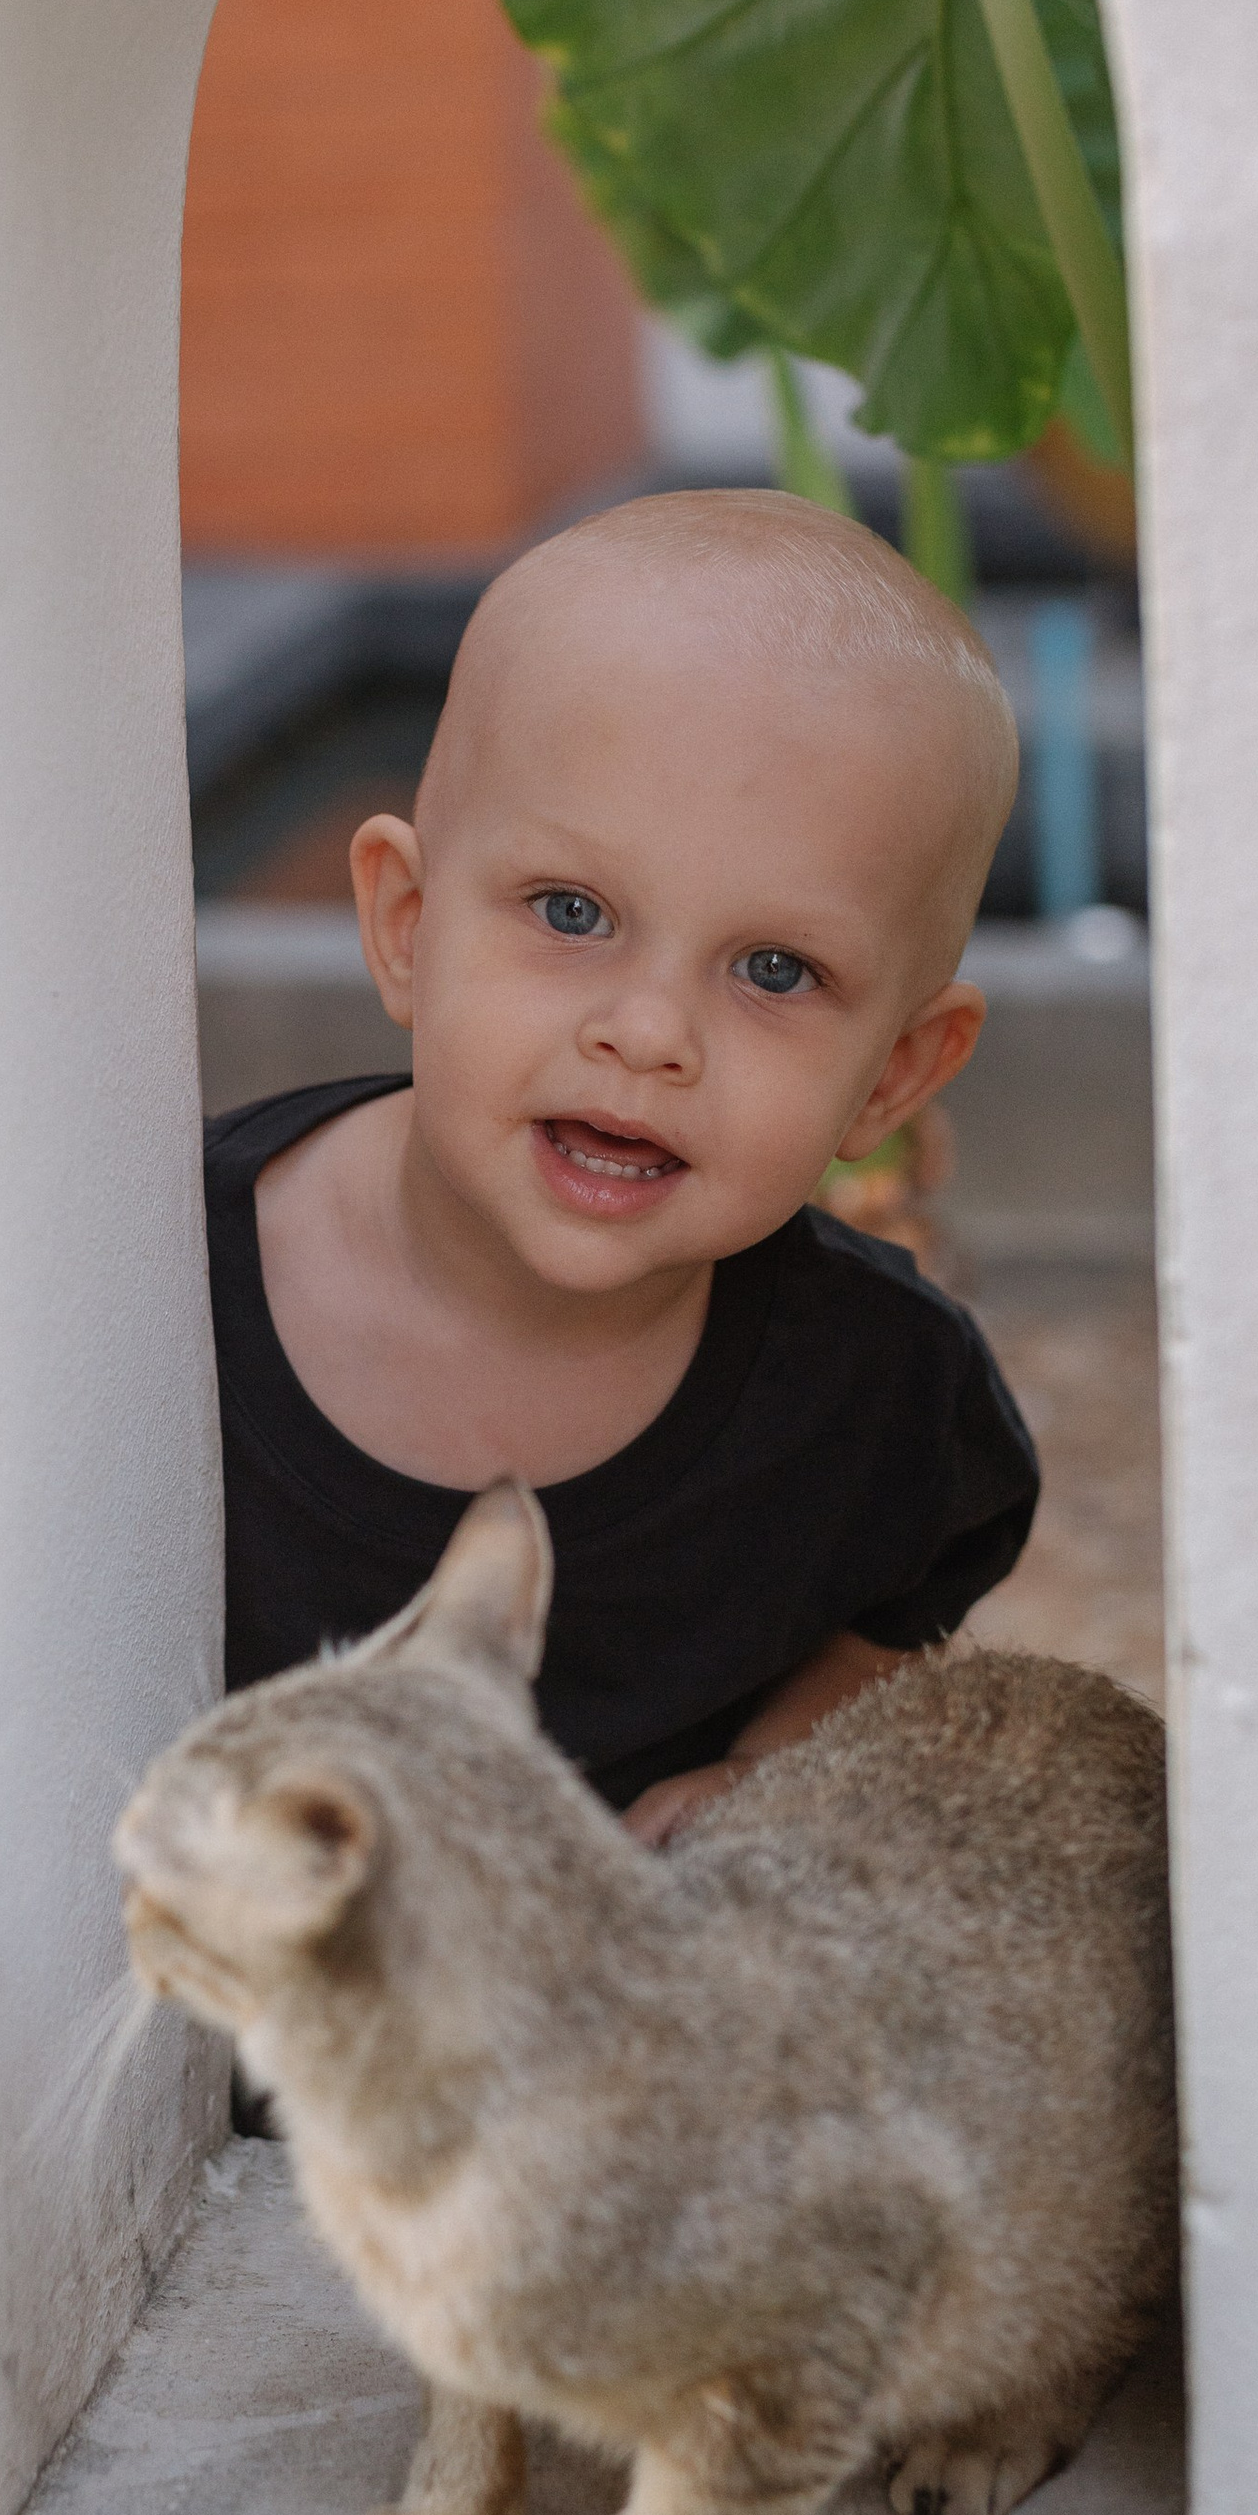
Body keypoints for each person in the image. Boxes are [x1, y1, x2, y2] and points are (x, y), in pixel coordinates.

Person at [205, 484, 1036, 1850]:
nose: (648, 1033)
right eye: (572, 912)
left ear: (894, 1074)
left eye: (776, 971)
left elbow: (902, 1608)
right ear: (407, 927)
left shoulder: (878, 1397)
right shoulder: (168, 1291)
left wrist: (776, 1760)